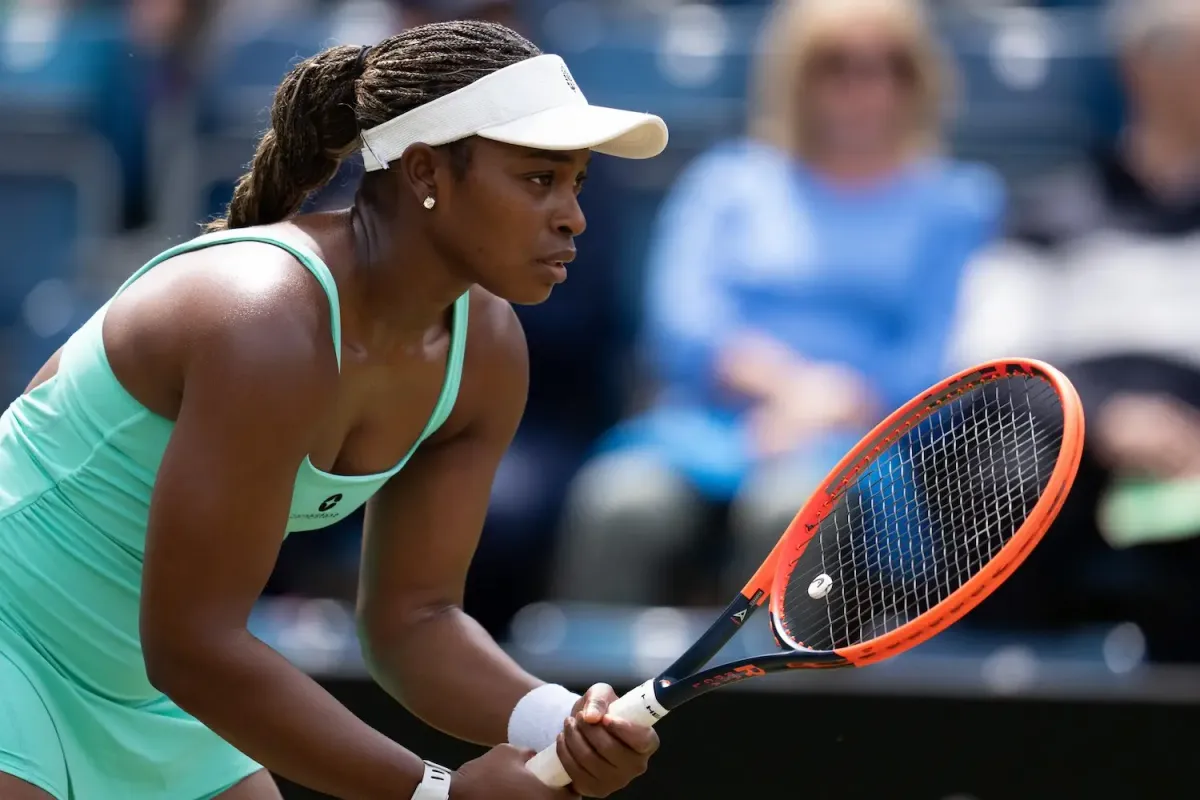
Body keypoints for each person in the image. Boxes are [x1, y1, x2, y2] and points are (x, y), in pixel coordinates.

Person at [0, 20, 668, 800]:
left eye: (576, 183)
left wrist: (553, 721)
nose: (573, 217)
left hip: (152, 682)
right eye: (536, 180)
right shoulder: (264, 321)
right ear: (426, 172)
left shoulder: (485, 351)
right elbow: (189, 647)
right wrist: (439, 792)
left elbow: (412, 621)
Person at [552, 0, 1003, 606]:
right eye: (833, 65)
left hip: (866, 442)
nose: (861, 88)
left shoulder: (958, 202)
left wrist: (831, 406)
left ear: (917, 80)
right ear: (795, 76)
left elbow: (941, 352)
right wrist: (790, 392)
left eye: (887, 66)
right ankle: (593, 700)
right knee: (620, 503)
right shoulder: (726, 183)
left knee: (788, 511)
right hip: (710, 427)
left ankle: (770, 701)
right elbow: (681, 327)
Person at [954, 0, 1200, 662]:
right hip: (1065, 461)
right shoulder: (1046, 215)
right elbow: (989, 362)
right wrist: (1106, 419)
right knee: (1008, 469)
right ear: (1142, 67)